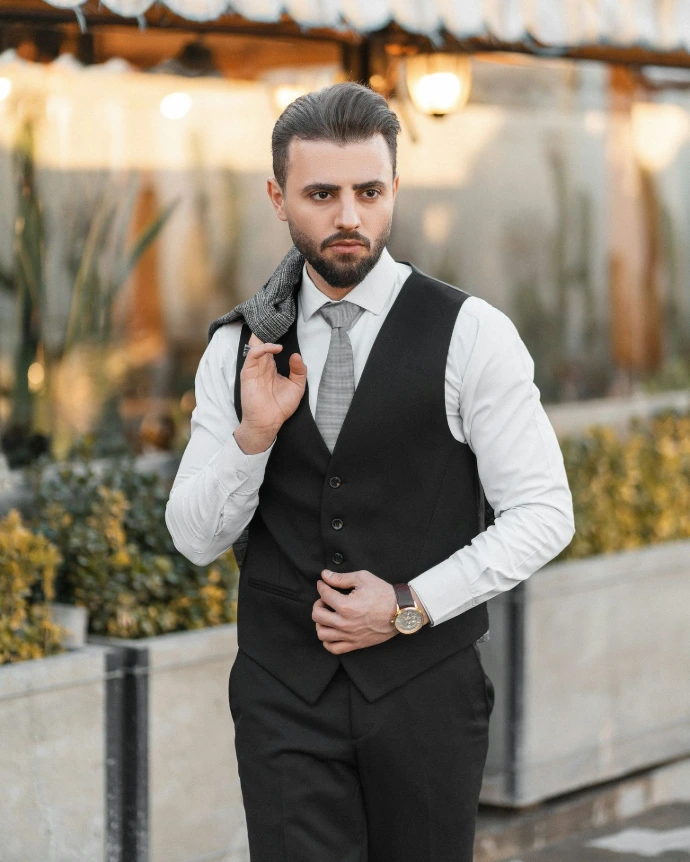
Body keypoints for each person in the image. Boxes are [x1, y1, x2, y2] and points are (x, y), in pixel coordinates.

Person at [165, 81, 575, 862]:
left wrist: (410, 605)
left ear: (394, 189)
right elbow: (193, 537)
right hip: (284, 697)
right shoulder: (238, 347)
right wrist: (254, 436)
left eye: (369, 191)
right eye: (322, 194)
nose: (349, 216)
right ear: (278, 198)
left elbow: (544, 512)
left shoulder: (472, 334)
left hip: (427, 693)